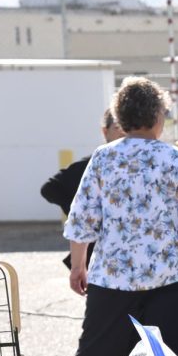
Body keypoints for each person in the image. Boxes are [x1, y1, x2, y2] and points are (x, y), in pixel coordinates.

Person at [63, 77, 178, 356]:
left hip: (113, 278)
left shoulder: (103, 158)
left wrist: (78, 266)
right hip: (176, 277)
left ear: (120, 117)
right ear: (158, 116)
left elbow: (82, 218)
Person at [40, 109, 125, 268]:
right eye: (118, 127)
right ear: (105, 131)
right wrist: (77, 208)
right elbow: (49, 189)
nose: (123, 132)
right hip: (99, 254)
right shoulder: (91, 164)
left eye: (127, 127)